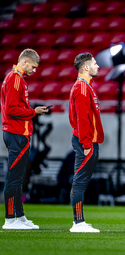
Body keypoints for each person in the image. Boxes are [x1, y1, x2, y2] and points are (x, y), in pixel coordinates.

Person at [1, 49, 48, 230]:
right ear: (25, 61)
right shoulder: (14, 78)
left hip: (19, 133)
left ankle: (19, 217)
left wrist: (32, 111)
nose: (34, 71)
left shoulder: (16, 78)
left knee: (19, 178)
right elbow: (11, 109)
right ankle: (9, 219)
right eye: (33, 67)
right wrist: (33, 112)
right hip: (16, 133)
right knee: (14, 178)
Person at [69, 53, 104, 233]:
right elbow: (83, 119)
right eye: (95, 64)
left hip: (89, 140)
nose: (98, 66)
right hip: (86, 141)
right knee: (80, 181)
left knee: (81, 180)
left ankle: (80, 221)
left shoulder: (86, 87)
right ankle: (78, 222)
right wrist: (86, 143)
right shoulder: (82, 88)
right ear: (86, 68)